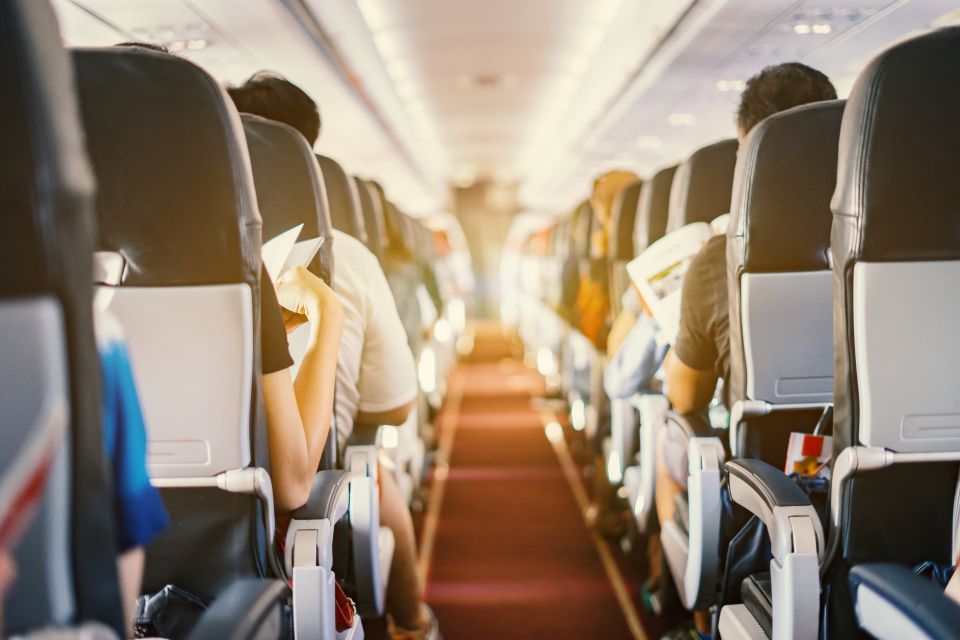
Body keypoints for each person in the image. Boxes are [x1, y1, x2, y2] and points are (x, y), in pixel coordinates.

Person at [229, 73, 439, 640]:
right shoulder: (345, 261)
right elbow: (393, 407)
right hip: (301, 487)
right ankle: (413, 625)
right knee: (375, 467)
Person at [657, 62, 837, 640]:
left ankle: (695, 612)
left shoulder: (718, 260)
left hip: (767, 505)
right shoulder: (892, 245)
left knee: (669, 441)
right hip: (897, 522)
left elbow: (685, 395)